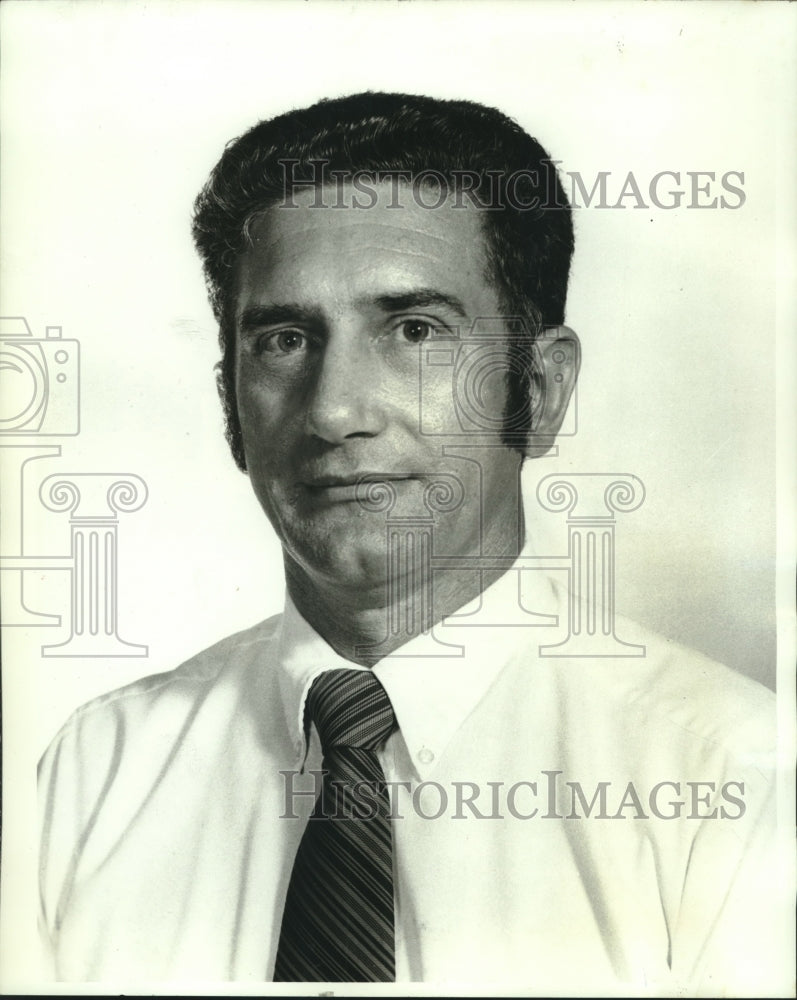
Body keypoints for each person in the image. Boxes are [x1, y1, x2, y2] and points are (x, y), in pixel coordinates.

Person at [38, 92, 785, 993]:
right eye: (282, 340)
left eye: (415, 331)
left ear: (539, 391)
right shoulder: (87, 779)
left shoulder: (733, 785)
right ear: (229, 400)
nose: (334, 410)